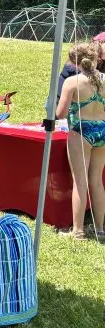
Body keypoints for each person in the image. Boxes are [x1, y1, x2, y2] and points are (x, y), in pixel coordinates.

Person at [55, 43, 105, 240]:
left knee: (80, 182)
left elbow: (60, 114)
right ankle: (100, 229)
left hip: (81, 131)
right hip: (102, 130)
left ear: (75, 62)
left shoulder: (72, 82)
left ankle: (78, 231)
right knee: (97, 181)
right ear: (95, 59)